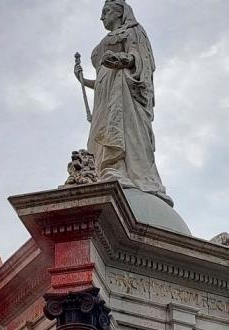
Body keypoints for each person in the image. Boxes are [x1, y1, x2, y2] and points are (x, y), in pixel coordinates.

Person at [74, 0, 172, 206]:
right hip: (104, 94)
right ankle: (105, 168)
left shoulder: (133, 31)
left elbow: (141, 60)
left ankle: (119, 168)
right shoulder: (105, 40)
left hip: (124, 89)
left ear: (119, 13)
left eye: (106, 11)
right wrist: (84, 81)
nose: (101, 17)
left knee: (120, 127)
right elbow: (103, 75)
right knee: (102, 130)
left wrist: (121, 60)